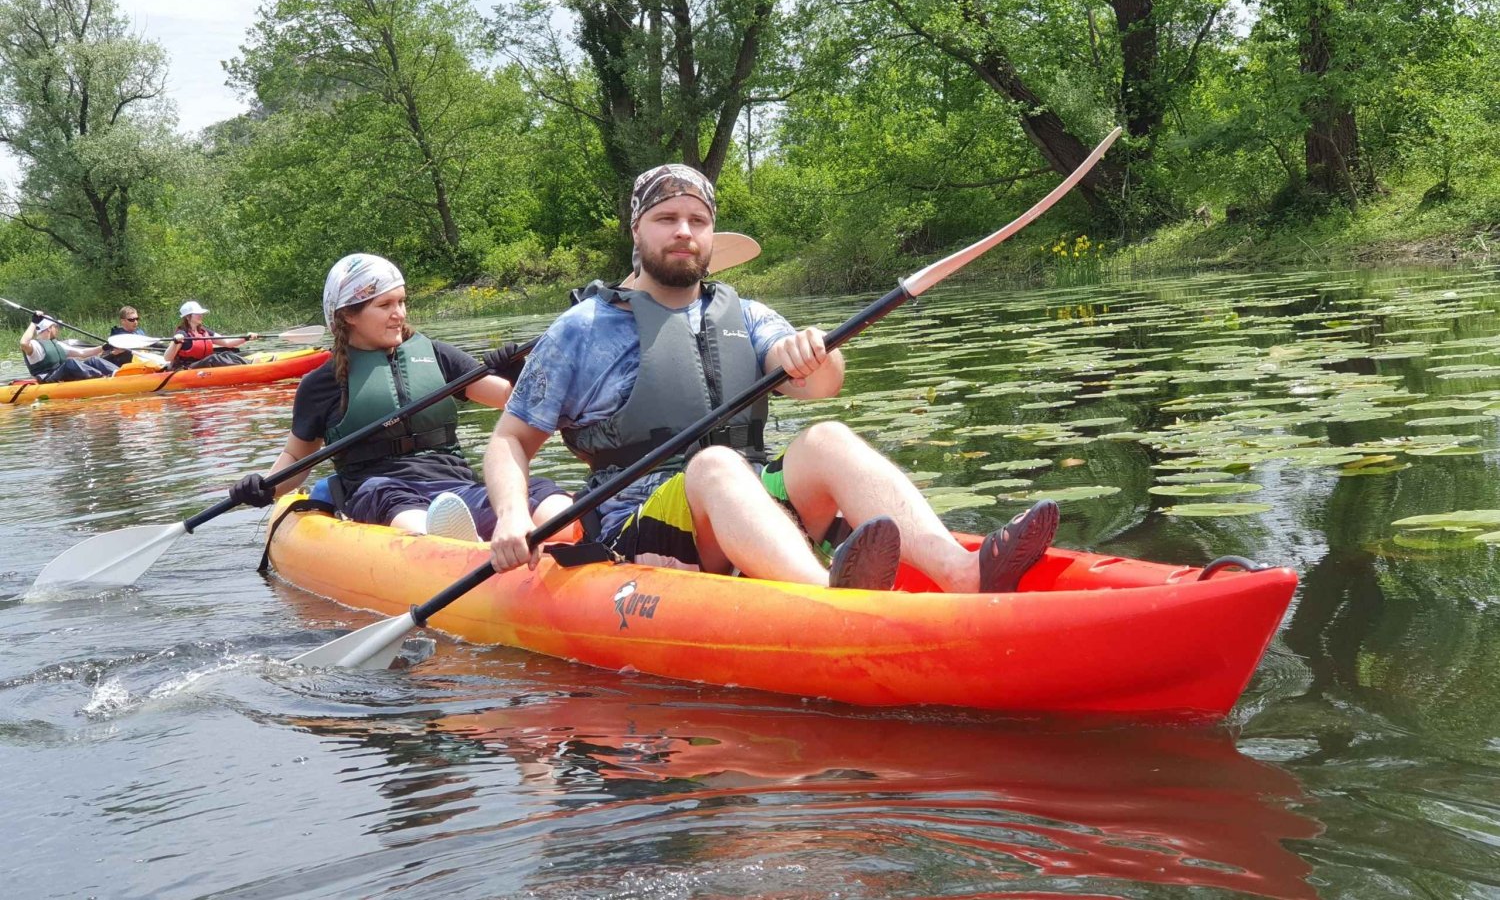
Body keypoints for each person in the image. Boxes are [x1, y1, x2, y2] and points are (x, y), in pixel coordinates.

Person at [483, 163, 1059, 592]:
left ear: (712, 235)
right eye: (666, 219)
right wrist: (511, 514)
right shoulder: (580, 329)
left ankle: (962, 572)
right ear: (637, 232)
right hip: (641, 525)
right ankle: (821, 600)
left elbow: (822, 385)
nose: (684, 231)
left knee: (827, 436)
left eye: (698, 220)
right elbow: (510, 439)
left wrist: (807, 352)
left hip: (756, 507)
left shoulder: (746, 314)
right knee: (713, 465)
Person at [227, 254, 571, 540]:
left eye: (402, 301)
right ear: (349, 315)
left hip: (454, 486)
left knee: (547, 497)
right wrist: (265, 487)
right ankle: (447, 544)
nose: (400, 313)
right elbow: (295, 456)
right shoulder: (323, 383)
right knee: (391, 498)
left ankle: (573, 539)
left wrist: (520, 373)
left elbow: (511, 401)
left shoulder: (435, 355)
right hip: (378, 492)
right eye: (386, 304)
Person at [19, 312, 118, 382]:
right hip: (47, 379)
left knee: (93, 360)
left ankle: (119, 372)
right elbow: (23, 343)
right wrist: (34, 322)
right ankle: (102, 378)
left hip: (62, 375)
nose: (57, 329)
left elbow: (82, 353)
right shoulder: (35, 345)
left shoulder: (58, 344)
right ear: (49, 328)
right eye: (55, 327)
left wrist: (103, 347)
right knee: (70, 363)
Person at [162, 301, 258, 369]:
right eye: (197, 313)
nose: (201, 315)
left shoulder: (204, 332)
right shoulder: (182, 334)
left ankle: (249, 364)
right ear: (187, 317)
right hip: (186, 368)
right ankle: (249, 367)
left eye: (201, 313)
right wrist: (175, 342)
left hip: (203, 364)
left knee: (226, 353)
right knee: (213, 358)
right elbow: (167, 358)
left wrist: (246, 338)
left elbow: (228, 342)